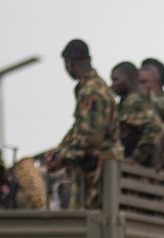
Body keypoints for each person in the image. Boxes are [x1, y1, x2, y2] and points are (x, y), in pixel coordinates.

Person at [46, 39, 121, 209]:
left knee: (91, 225)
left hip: (98, 173)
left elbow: (91, 136)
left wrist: (63, 156)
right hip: (93, 170)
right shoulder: (93, 87)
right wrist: (60, 150)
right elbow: (79, 128)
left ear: (70, 63)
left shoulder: (91, 90)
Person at [110, 61, 162, 168]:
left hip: (136, 169)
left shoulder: (133, 101)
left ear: (130, 78)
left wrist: (136, 158)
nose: (112, 85)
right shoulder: (134, 100)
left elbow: (154, 127)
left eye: (116, 79)